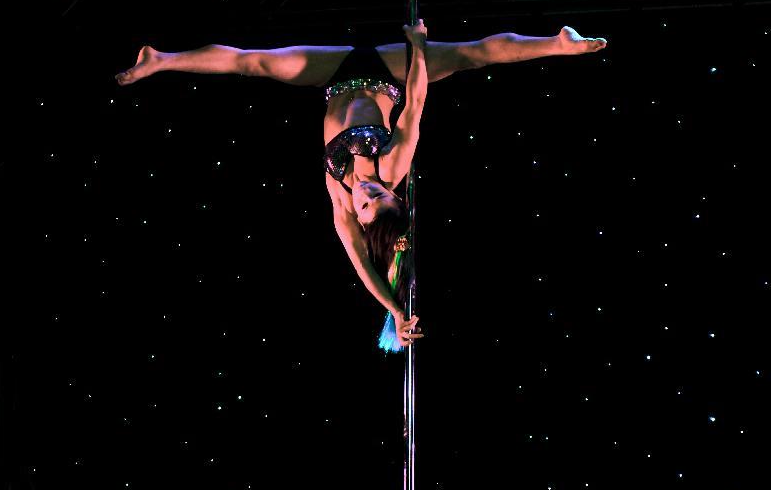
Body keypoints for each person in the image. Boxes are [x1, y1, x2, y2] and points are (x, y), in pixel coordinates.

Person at [115, 23, 607, 349]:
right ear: (395, 194)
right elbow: (415, 102)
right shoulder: (395, 163)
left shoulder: (338, 201)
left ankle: (160, 59)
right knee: (467, 56)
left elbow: (361, 265)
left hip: (333, 78)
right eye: (377, 196)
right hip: (390, 74)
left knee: (254, 63)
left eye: (364, 204)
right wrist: (417, 46)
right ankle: (559, 44)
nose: (364, 194)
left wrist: (394, 310)